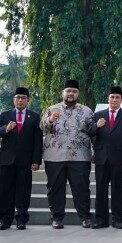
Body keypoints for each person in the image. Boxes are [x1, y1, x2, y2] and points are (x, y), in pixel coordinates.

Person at [40, 79, 96, 229]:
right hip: (54, 156)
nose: (71, 94)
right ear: (63, 93)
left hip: (80, 156)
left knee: (82, 188)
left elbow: (94, 133)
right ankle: (57, 218)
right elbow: (42, 126)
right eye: (68, 91)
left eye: (74, 91)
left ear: (78, 94)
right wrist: (50, 119)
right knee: (55, 188)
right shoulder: (52, 109)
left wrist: (95, 151)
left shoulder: (86, 111)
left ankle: (85, 217)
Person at [0, 87, 42, 230]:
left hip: (25, 160)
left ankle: (21, 219)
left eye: (23, 98)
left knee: (23, 190)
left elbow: (37, 141)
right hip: (7, 160)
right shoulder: (5, 115)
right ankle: (4, 220)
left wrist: (36, 161)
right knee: (5, 190)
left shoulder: (34, 116)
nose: (20, 100)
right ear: (13, 100)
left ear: (28, 100)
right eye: (17, 97)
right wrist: (6, 129)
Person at [92, 87, 122, 229]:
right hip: (101, 158)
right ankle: (100, 220)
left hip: (119, 159)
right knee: (100, 190)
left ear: (121, 99)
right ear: (108, 99)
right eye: (112, 97)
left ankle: (118, 219)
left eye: (117, 97)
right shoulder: (98, 115)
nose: (114, 99)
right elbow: (90, 134)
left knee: (118, 189)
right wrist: (96, 126)